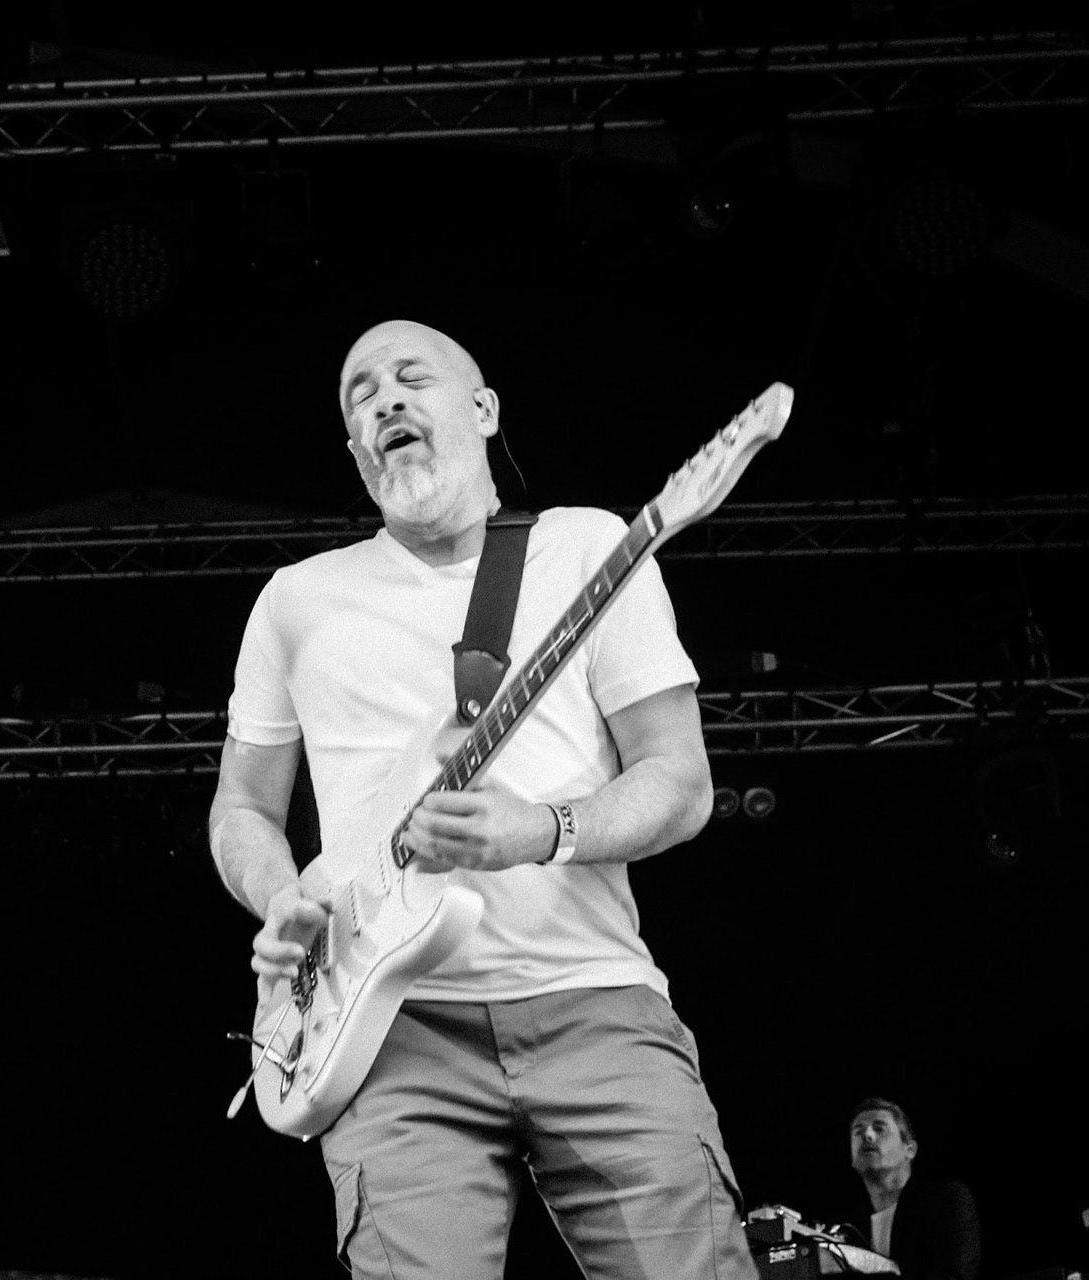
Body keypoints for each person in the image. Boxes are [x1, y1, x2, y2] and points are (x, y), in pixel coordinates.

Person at [209, 320, 755, 1279]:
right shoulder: (296, 601)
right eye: (359, 396)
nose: (384, 400)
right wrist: (278, 894)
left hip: (596, 1002)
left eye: (411, 377)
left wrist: (546, 830)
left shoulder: (595, 547)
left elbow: (682, 782)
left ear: (483, 408)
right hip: (390, 1032)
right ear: (354, 451)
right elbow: (242, 810)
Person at [844, 1098, 981, 1279]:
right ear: (852, 1158)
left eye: (879, 1128)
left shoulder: (945, 1200)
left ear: (910, 1149)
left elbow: (954, 1273)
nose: (867, 1135)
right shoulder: (846, 1228)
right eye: (858, 1131)